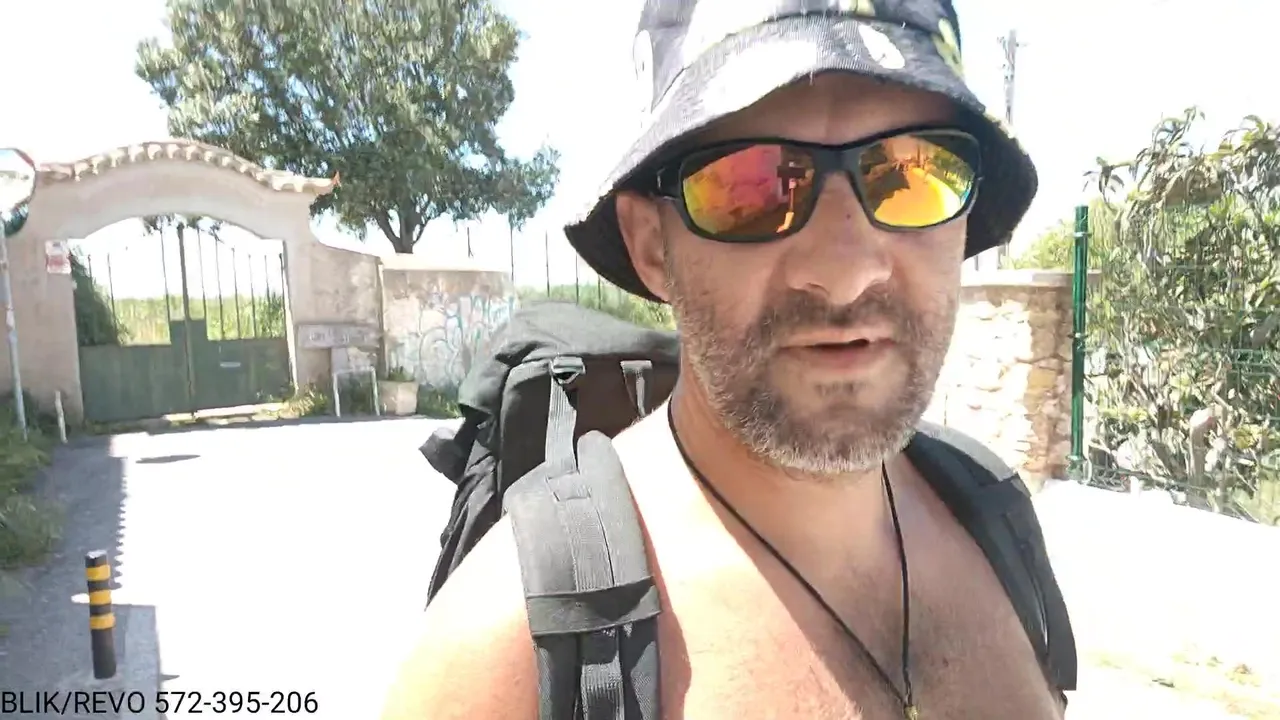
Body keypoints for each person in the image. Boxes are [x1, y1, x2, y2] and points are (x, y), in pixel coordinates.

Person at [382, 0, 1069, 718]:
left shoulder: (996, 521)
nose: (845, 273)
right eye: (751, 189)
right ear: (653, 246)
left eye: (913, 174)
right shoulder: (499, 662)